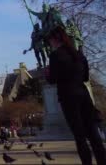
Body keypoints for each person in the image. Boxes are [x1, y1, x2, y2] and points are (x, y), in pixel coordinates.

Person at [46, 25, 106, 165]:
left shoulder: (55, 56)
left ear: (56, 39)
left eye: (50, 41)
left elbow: (53, 79)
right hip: (84, 95)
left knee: (79, 136)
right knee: (93, 134)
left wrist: (48, 73)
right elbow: (85, 77)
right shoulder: (79, 54)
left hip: (68, 96)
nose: (50, 44)